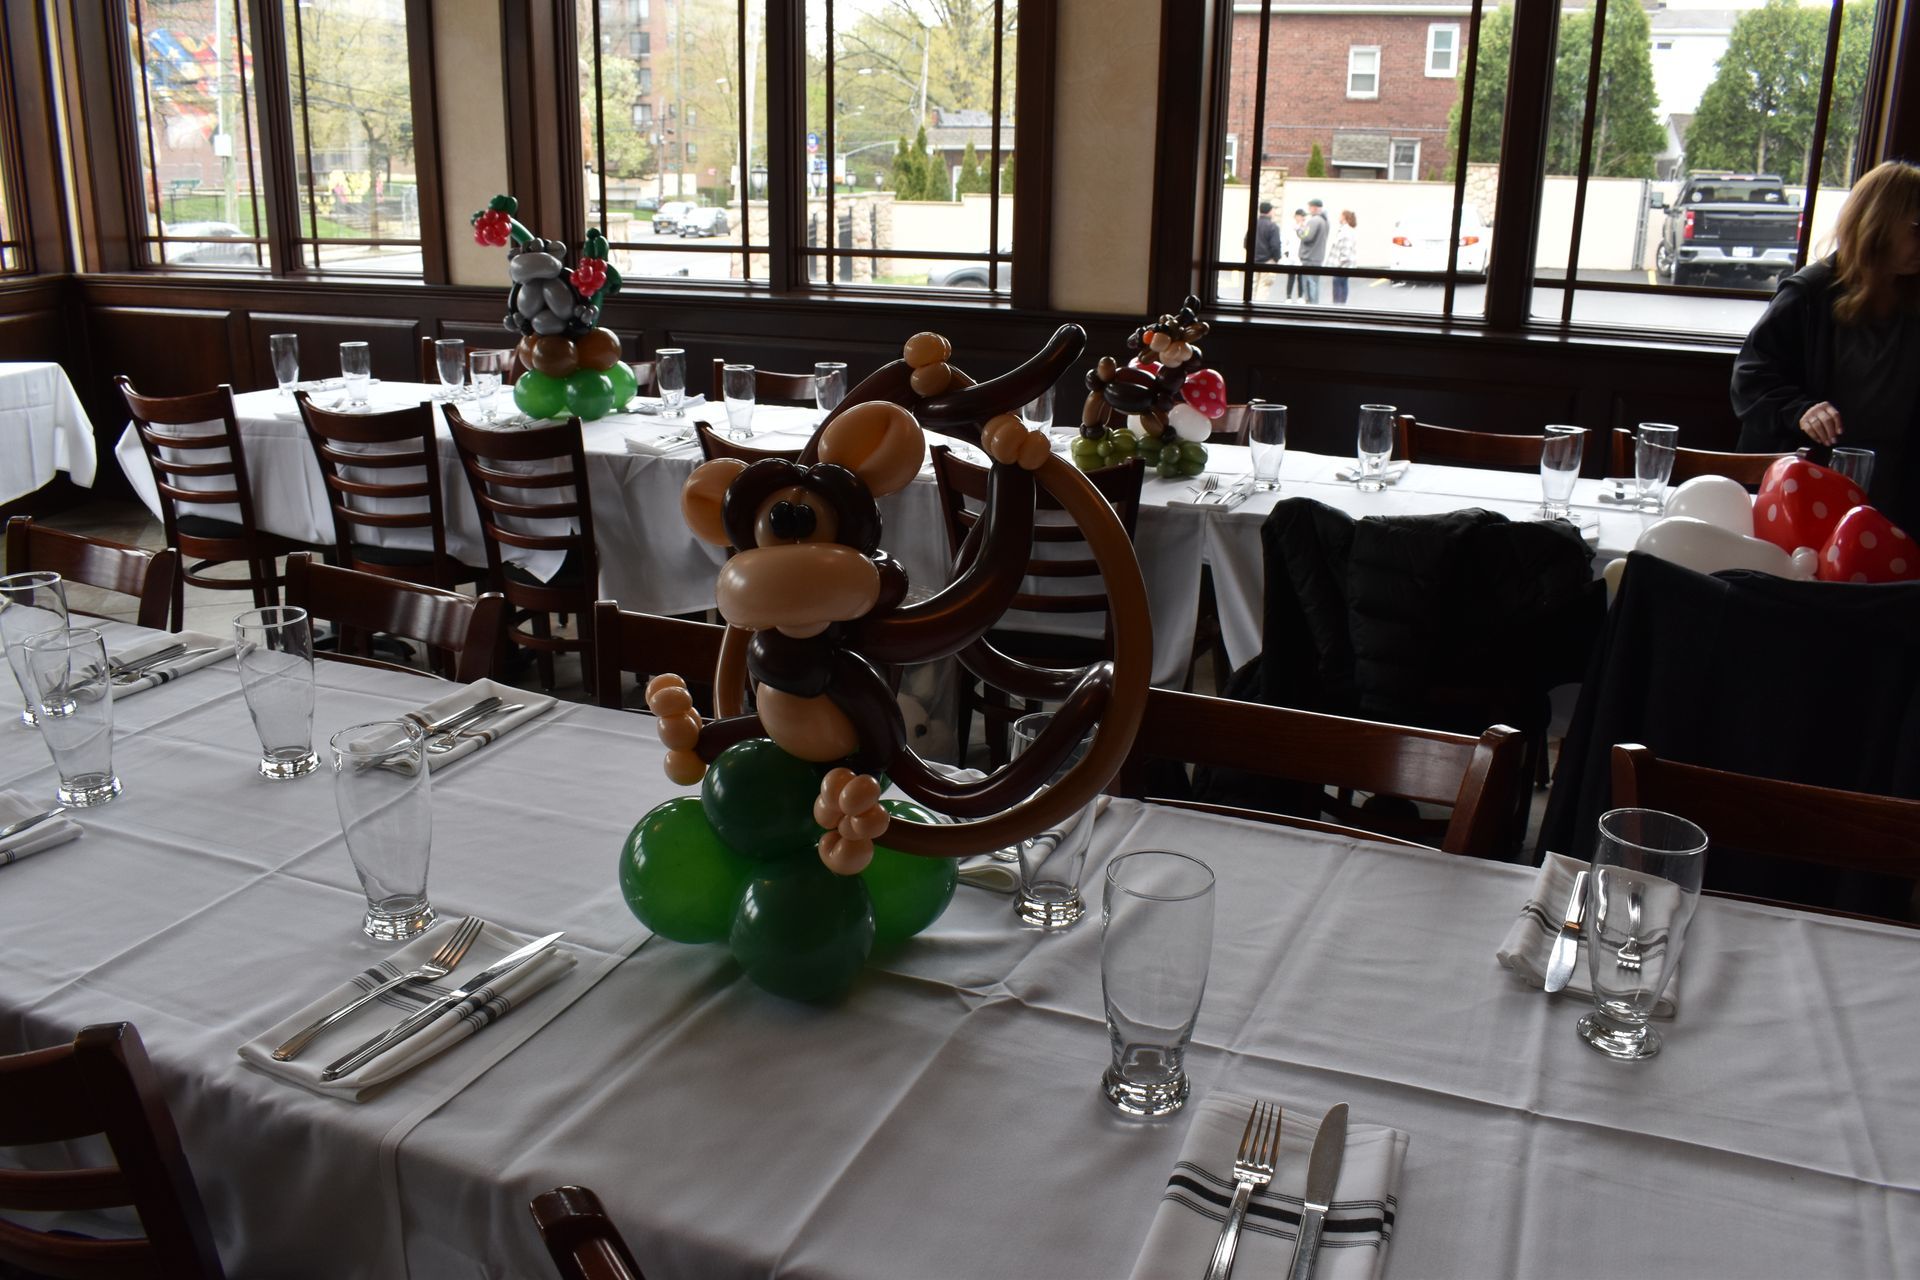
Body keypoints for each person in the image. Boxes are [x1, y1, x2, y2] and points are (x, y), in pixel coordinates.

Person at [1731, 160, 1920, 533]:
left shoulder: (1913, 298)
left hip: (1899, 489)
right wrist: (1801, 410)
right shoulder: (1808, 293)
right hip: (1808, 486)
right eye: (1918, 229)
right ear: (1878, 223)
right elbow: (1750, 380)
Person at [1247, 201, 1283, 300]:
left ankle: (1249, 308)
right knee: (1264, 287)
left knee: (1253, 287)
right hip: (1267, 262)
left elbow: (1246, 242)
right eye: (1273, 210)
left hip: (1253, 261)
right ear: (1270, 211)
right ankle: (1257, 311)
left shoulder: (1253, 224)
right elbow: (1275, 246)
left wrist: (1251, 255)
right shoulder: (1273, 226)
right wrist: (1276, 259)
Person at [1297, 198, 1329, 304]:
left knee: (1309, 283)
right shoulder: (1325, 221)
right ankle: (1315, 305)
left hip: (1309, 257)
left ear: (1314, 208)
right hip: (1318, 257)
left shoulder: (1314, 221)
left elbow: (1306, 237)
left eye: (1310, 207)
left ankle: (1311, 306)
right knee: (1315, 283)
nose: (1309, 210)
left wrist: (1299, 229)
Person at [1330, 209, 1358, 305]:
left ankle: (1338, 306)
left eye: (1340, 215)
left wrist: (1339, 264)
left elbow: (1345, 251)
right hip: (1344, 265)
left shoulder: (1346, 231)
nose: (1339, 217)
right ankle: (1341, 305)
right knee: (1343, 284)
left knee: (1338, 285)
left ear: (1344, 218)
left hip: (1342, 266)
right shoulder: (1346, 230)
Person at [1285, 209, 1306, 300]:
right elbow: (1285, 239)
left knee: (1300, 277)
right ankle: (1288, 297)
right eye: (1301, 216)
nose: (1302, 218)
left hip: (1301, 255)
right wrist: (1286, 251)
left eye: (1303, 216)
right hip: (1292, 254)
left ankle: (1300, 297)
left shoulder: (1305, 227)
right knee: (1291, 276)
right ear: (1296, 216)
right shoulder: (1290, 226)